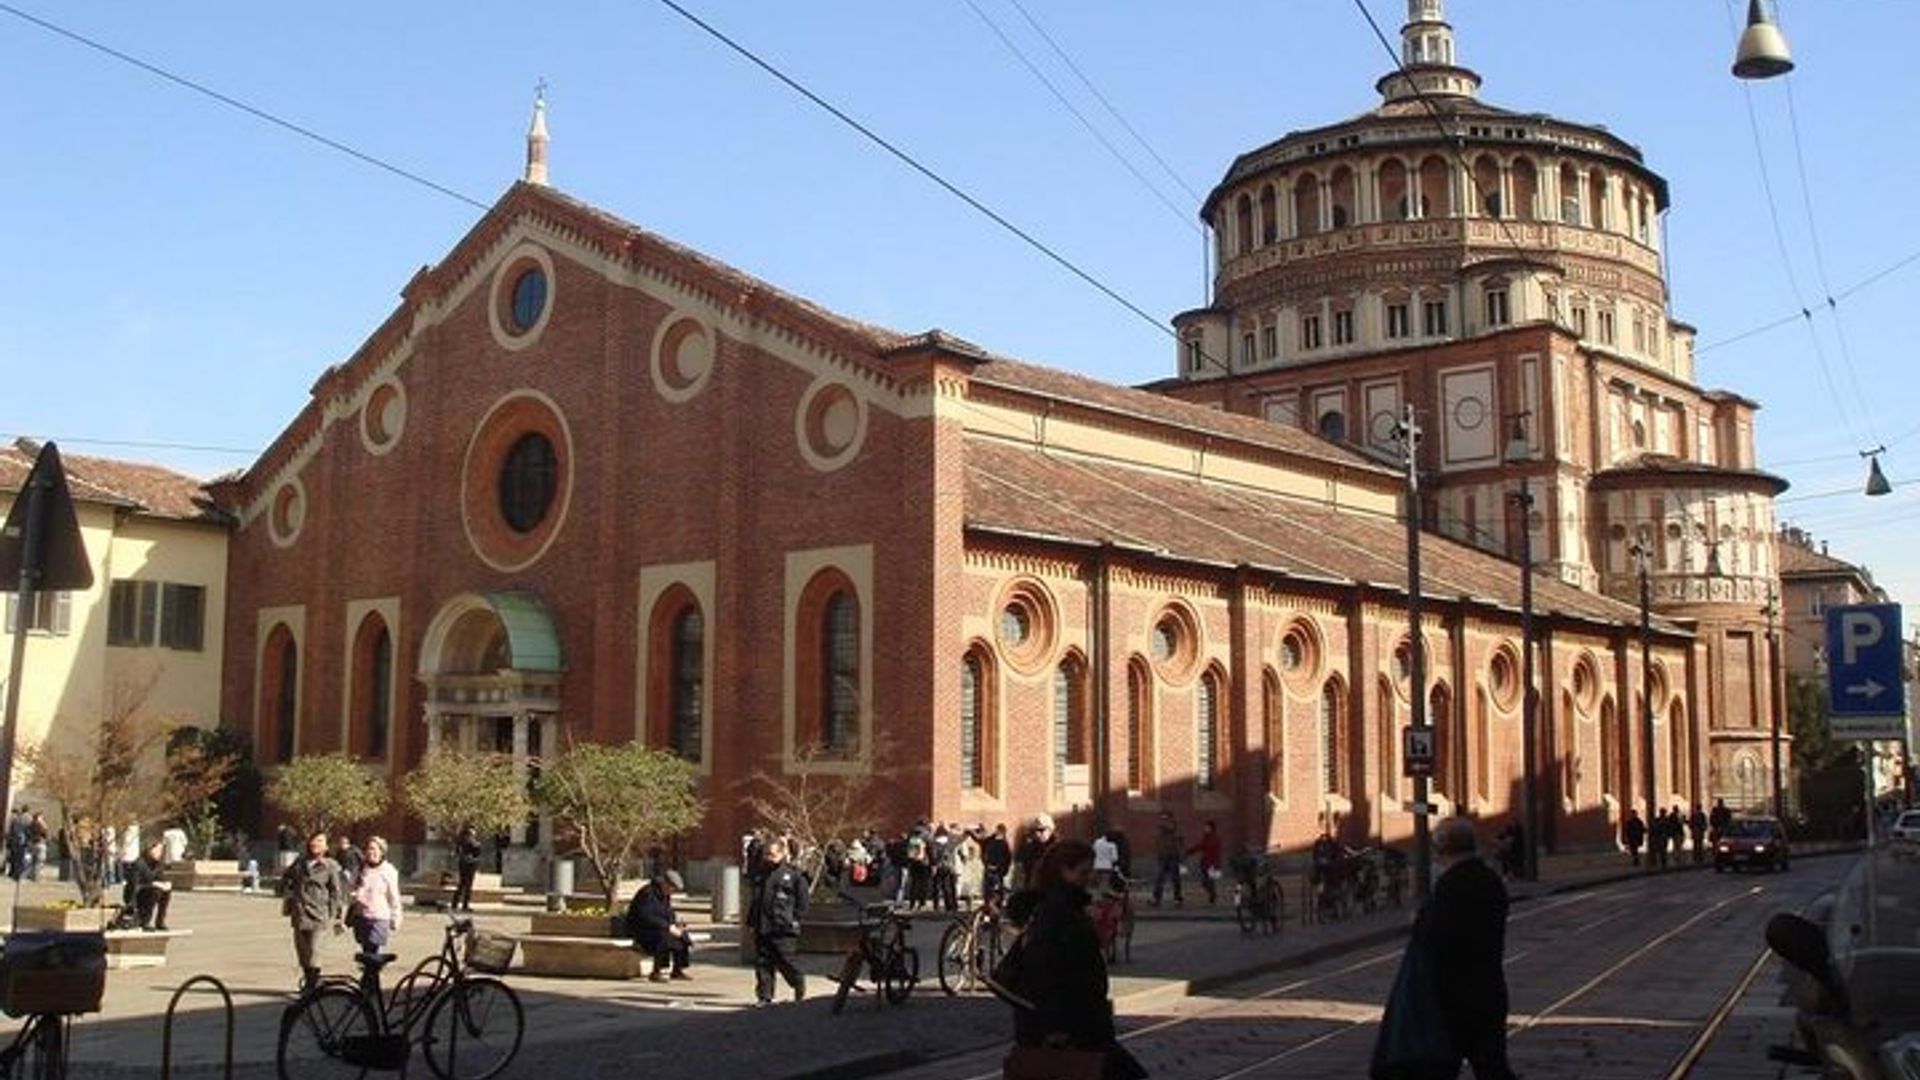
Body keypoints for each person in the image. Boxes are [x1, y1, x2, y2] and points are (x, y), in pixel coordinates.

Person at [1371, 817, 1516, 1080]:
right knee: (1493, 1068)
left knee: (1438, 1069)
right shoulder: (1490, 880)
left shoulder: (1450, 886)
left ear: (1441, 849)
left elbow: (1439, 938)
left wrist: (1420, 920)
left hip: (1450, 1000)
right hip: (1488, 991)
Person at [997, 840, 1145, 1080]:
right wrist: (1054, 1028)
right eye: (1084, 872)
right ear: (1063, 871)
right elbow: (1044, 971)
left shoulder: (1067, 907)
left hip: (1081, 1021)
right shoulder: (1056, 911)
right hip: (1071, 1026)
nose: (1089, 878)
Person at [281, 831, 348, 989]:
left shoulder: (331, 865)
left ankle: (311, 986)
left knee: (315, 954)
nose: (315, 843)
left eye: (320, 841)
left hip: (319, 916)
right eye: (313, 840)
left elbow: (336, 892)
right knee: (303, 955)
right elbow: (286, 878)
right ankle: (309, 982)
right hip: (300, 914)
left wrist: (333, 915)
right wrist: (288, 890)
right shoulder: (300, 862)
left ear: (326, 846)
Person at [749, 838, 808, 1005]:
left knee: (786, 960)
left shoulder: (793, 875)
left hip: (783, 926)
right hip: (763, 925)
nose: (768, 857)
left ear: (782, 854)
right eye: (766, 854)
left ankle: (798, 982)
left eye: (772, 854)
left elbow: (803, 902)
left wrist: (796, 919)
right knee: (763, 963)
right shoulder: (760, 874)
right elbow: (756, 901)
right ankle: (765, 996)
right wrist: (751, 923)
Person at [627, 870, 692, 981]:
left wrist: (675, 924)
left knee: (682, 936)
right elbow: (646, 917)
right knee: (664, 937)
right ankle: (656, 971)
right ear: (665, 883)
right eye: (672, 888)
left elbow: (668, 913)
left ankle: (677, 970)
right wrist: (667, 927)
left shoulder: (664, 895)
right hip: (641, 930)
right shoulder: (647, 893)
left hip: (657, 928)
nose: (672, 892)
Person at [349, 836, 402, 954]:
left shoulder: (388, 871)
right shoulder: (360, 869)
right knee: (366, 951)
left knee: (375, 951)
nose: (370, 852)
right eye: (368, 849)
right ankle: (369, 972)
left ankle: (373, 972)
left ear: (382, 852)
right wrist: (354, 895)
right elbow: (351, 887)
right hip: (361, 916)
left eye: (374, 849)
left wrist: (396, 917)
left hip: (379, 918)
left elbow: (393, 896)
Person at [123, 838, 173, 931]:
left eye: (161, 850)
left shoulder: (158, 865)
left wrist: (166, 884)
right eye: (158, 850)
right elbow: (134, 885)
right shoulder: (138, 863)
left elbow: (161, 879)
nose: (160, 853)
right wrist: (153, 884)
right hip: (136, 894)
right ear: (150, 849)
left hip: (150, 891)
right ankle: (145, 921)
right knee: (156, 890)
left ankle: (160, 921)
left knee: (166, 891)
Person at [1151, 811, 1184, 907]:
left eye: (1165, 819)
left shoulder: (1175, 829)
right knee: (1159, 878)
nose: (1163, 821)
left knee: (1175, 878)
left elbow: (1180, 842)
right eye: (1162, 819)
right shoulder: (1160, 831)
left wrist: (1181, 855)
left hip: (1173, 856)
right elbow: (1158, 842)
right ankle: (1156, 898)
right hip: (1163, 857)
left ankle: (1178, 899)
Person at [1014, 815, 1055, 891]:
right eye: (1036, 831)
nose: (1038, 834)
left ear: (1050, 830)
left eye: (1041, 830)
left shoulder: (1057, 848)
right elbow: (1020, 862)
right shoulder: (1030, 847)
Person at [451, 824, 483, 912]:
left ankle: (460, 904)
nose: (473, 834)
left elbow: (477, 854)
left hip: (468, 865)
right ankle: (459, 904)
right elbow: (476, 852)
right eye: (471, 833)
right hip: (467, 865)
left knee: (465, 885)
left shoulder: (466, 843)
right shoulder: (466, 843)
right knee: (464, 885)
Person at [1191, 821, 1223, 905]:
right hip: (1206, 863)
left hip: (1211, 863)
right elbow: (1200, 846)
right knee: (1207, 881)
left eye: (1207, 827)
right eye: (1205, 827)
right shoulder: (1207, 837)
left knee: (1209, 881)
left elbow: (1207, 848)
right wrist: (1190, 851)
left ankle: (1213, 897)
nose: (1205, 829)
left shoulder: (1214, 838)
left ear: (1211, 828)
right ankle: (1212, 897)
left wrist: (1216, 864)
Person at [982, 824, 1013, 896]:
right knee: (992, 890)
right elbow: (1007, 858)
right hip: (994, 869)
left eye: (997, 830)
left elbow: (1007, 858)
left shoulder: (1001, 843)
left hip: (996, 869)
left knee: (994, 890)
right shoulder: (997, 842)